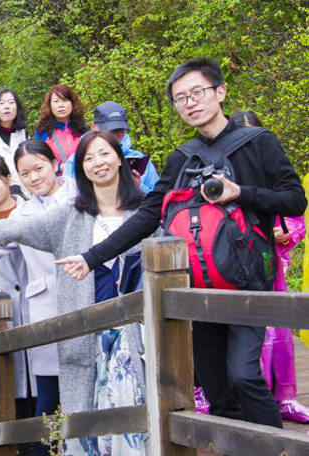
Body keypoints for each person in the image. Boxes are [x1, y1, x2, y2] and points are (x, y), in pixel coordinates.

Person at [61, 58, 306, 429]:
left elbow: (294, 200)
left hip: (248, 282)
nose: (190, 103)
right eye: (181, 98)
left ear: (220, 92)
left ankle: (278, 448)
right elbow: (148, 216)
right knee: (215, 385)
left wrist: (242, 193)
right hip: (200, 286)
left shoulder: (259, 143)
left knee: (244, 375)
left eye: (197, 93)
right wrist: (91, 257)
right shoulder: (182, 158)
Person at [0, 131, 148, 455]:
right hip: (84, 325)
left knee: (133, 402)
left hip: (134, 330)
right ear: (79, 167)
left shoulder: (144, 211)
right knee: (82, 408)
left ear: (119, 158)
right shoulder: (73, 213)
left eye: (104, 154)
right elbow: (18, 228)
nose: (98, 163)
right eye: (88, 158)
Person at [230, 109, 309, 423]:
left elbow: (296, 217)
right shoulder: (222, 176)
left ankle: (283, 398)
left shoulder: (275, 171)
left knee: (277, 332)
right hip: (234, 267)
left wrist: (286, 234)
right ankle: (246, 401)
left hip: (270, 264)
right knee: (242, 334)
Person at [65, 101, 159, 192]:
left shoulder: (139, 159)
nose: (114, 136)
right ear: (93, 127)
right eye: (108, 130)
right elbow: (67, 197)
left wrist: (136, 187)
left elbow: (156, 198)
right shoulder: (75, 161)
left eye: (119, 130)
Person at [0, 88, 29, 188]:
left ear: (17, 107)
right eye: (2, 103)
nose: (7, 106)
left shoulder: (24, 136)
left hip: (26, 192)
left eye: (11, 102)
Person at [34, 84, 87, 169]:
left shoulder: (82, 129)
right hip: (57, 177)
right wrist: (60, 167)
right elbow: (39, 162)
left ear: (72, 103)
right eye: (56, 101)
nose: (61, 105)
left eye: (65, 100)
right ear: (50, 105)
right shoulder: (42, 132)